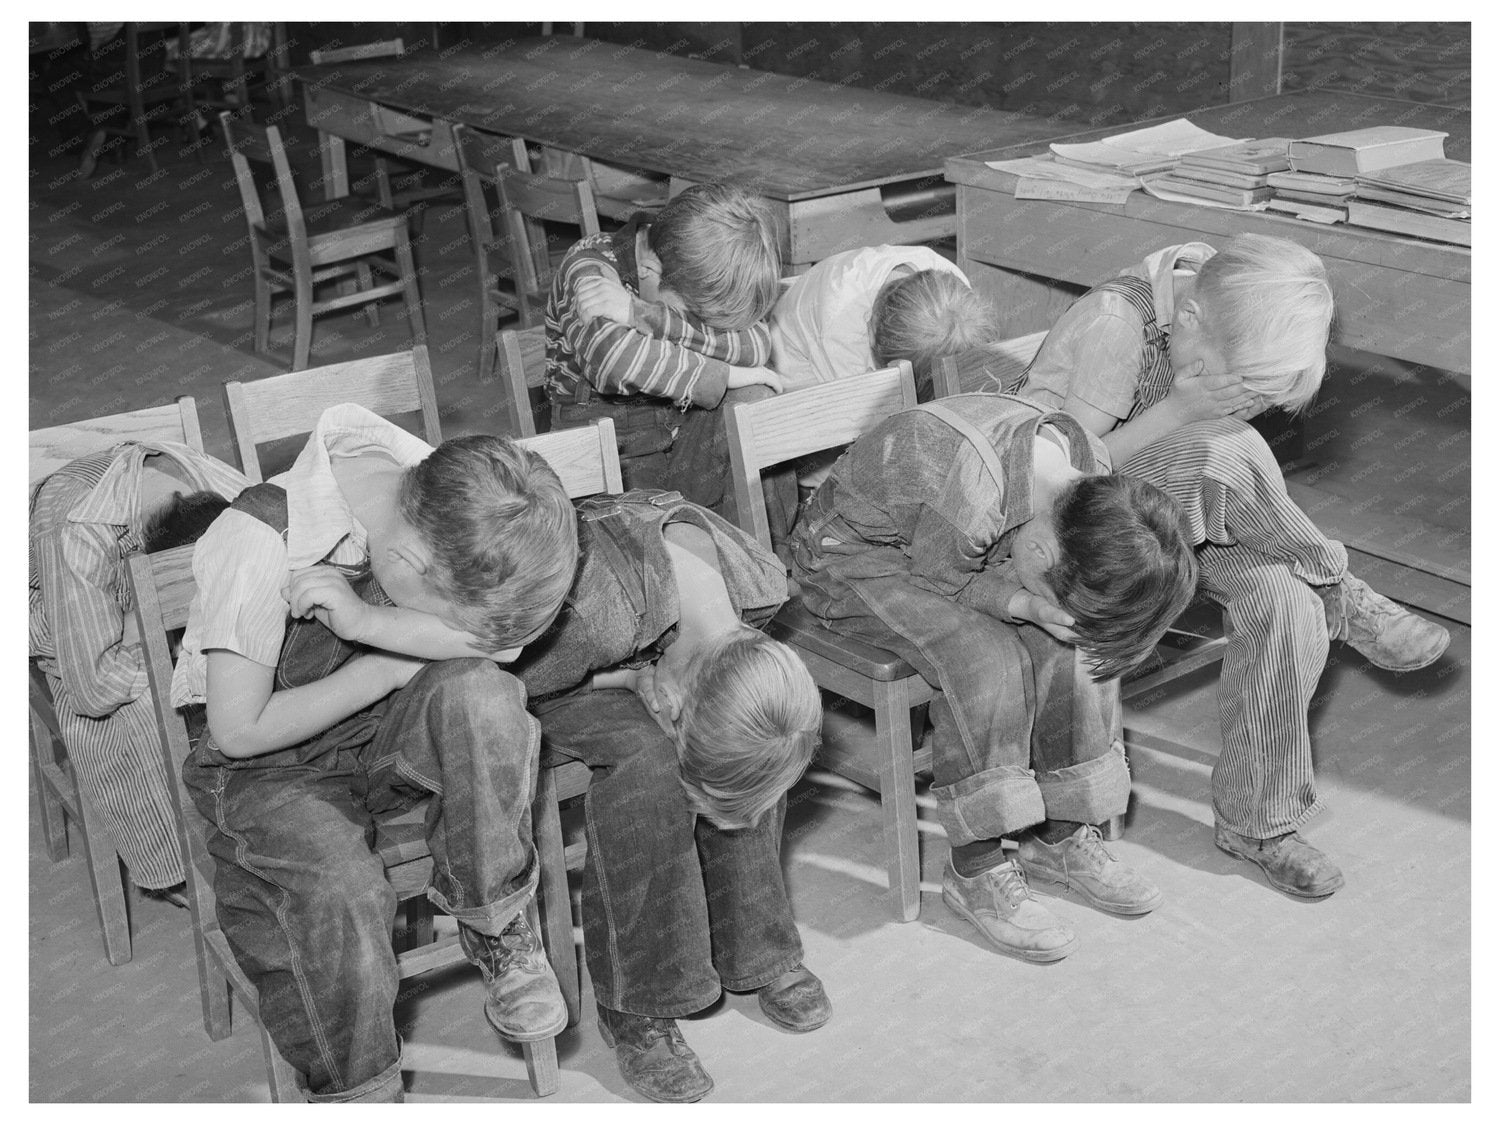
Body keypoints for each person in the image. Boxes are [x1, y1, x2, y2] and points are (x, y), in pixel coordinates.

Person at [1013, 234, 1451, 900]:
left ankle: (1259, 823)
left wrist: (1206, 417)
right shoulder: (1116, 325)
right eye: (1242, 388)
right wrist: (1183, 410)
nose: (1246, 405)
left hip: (1171, 514)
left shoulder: (1223, 301)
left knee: (1286, 601)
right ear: (1188, 321)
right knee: (1227, 447)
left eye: (1259, 399)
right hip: (1067, 532)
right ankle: (1341, 585)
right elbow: (1072, 479)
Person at [167, 404, 579, 1103]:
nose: (452, 629)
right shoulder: (259, 538)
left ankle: (496, 922)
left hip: (378, 731)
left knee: (484, 694)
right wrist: (383, 666)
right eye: (449, 612)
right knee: (342, 889)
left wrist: (367, 623)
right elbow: (237, 732)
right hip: (266, 762)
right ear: (410, 562)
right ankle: (362, 1090)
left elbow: (500, 644)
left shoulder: (454, 488)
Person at [789, 393, 1197, 963]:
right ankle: (976, 868)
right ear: (1040, 547)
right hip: (853, 561)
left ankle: (1061, 834)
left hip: (954, 547)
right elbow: (944, 580)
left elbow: (1004, 571)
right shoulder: (975, 505)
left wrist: (1046, 609)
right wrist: (1023, 604)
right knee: (985, 660)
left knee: (1070, 648)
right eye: (1049, 577)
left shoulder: (1091, 470)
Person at [511, 488, 827, 1103]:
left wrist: (664, 676)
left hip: (658, 645)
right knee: (651, 762)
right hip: (561, 667)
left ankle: (756, 946)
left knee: (759, 732)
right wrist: (626, 677)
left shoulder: (759, 581)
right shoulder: (589, 612)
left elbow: (739, 700)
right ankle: (640, 998)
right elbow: (500, 668)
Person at [29, 440, 247, 906]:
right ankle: (178, 866)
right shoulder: (75, 531)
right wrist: (151, 640)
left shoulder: (222, 485)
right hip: (46, 606)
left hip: (128, 593)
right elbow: (93, 686)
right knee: (144, 701)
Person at [543, 182, 793, 530]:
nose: (704, 328)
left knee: (757, 406)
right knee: (658, 557)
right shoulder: (590, 268)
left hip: (676, 441)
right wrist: (724, 376)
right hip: (609, 459)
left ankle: (763, 567)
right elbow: (617, 360)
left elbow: (754, 344)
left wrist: (645, 314)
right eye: (696, 315)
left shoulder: (694, 264)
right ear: (648, 268)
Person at [768, 243, 1001, 396]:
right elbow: (858, 414)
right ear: (870, 334)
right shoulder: (839, 327)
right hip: (799, 360)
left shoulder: (953, 286)